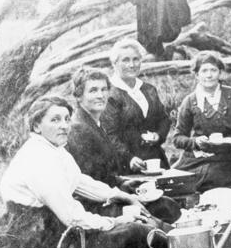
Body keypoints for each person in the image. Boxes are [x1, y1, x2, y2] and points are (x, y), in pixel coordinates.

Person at [0, 96, 168, 248]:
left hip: (56, 228)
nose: (64, 126)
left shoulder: (54, 149)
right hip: (41, 241)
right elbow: (72, 217)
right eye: (55, 120)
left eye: (67, 119)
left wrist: (122, 195)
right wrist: (114, 222)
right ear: (37, 125)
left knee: (140, 216)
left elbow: (79, 181)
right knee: (136, 232)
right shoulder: (38, 159)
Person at [67, 67, 181, 224]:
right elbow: (88, 182)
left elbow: (104, 173)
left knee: (167, 205)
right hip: (95, 205)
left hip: (109, 195)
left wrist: (124, 183)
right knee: (163, 209)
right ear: (79, 96)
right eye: (93, 91)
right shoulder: (79, 128)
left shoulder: (95, 123)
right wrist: (125, 195)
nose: (100, 95)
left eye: (104, 89)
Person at [171, 51, 231, 192]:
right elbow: (177, 138)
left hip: (228, 156)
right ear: (197, 75)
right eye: (204, 71)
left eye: (213, 70)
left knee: (219, 179)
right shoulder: (190, 101)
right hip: (198, 159)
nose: (209, 75)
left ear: (220, 73)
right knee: (173, 182)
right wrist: (195, 142)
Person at [101, 38, 171, 174]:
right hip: (126, 164)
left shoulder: (148, 89)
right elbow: (109, 134)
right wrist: (129, 158)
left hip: (155, 160)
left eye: (136, 59)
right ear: (114, 64)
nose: (131, 65)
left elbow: (164, 119)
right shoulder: (110, 94)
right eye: (125, 60)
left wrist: (158, 135)